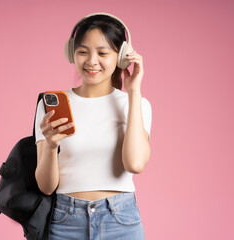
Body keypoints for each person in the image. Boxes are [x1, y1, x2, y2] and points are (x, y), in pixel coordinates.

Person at [34, 13, 152, 240]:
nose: (91, 61)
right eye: (83, 52)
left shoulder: (137, 105)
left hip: (120, 221)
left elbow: (134, 163)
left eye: (102, 53)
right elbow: (46, 187)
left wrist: (134, 92)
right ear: (71, 53)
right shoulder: (51, 104)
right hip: (65, 221)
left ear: (121, 57)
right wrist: (50, 146)